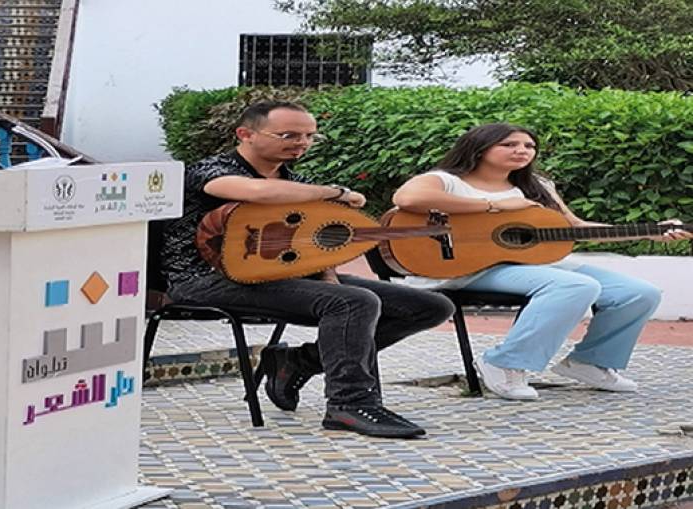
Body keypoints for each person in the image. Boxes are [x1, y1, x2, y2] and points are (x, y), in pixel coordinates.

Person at [159, 101, 455, 439]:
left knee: (431, 307)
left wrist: (328, 276)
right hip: (204, 280)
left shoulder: (296, 181)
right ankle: (349, 404)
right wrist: (337, 193)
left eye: (310, 136)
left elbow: (313, 239)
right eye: (289, 134)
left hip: (279, 276)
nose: (301, 142)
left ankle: (298, 363)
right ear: (245, 134)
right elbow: (257, 192)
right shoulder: (213, 169)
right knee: (353, 302)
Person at [392, 123, 691, 400]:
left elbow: (574, 229)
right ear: (480, 147)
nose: (522, 150)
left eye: (529, 146)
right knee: (576, 286)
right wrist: (495, 205)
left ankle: (591, 361)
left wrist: (653, 232)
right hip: (461, 268)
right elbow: (407, 199)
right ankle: (502, 363)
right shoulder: (445, 180)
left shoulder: (538, 186)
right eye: (509, 144)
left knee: (639, 292)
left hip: (527, 266)